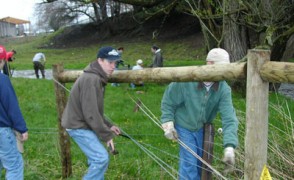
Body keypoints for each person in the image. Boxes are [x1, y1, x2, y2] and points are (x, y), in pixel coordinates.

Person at [160, 48, 238, 180]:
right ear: (209, 64)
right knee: (189, 163)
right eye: (221, 69)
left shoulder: (223, 89)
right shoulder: (187, 80)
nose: (223, 74)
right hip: (183, 125)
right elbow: (169, 101)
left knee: (202, 165)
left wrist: (230, 147)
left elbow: (229, 119)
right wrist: (168, 123)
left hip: (202, 128)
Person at [62, 46, 122, 179]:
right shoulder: (92, 80)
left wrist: (108, 125)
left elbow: (94, 110)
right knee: (100, 158)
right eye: (110, 62)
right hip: (78, 125)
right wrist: (107, 135)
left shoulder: (96, 77)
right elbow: (90, 114)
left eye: (115, 63)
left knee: (96, 159)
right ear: (100, 60)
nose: (113, 66)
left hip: (83, 123)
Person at [0, 45, 29, 179]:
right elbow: (11, 106)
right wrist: (21, 128)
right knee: (14, 166)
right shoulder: (2, 80)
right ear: (3, 61)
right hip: (2, 130)